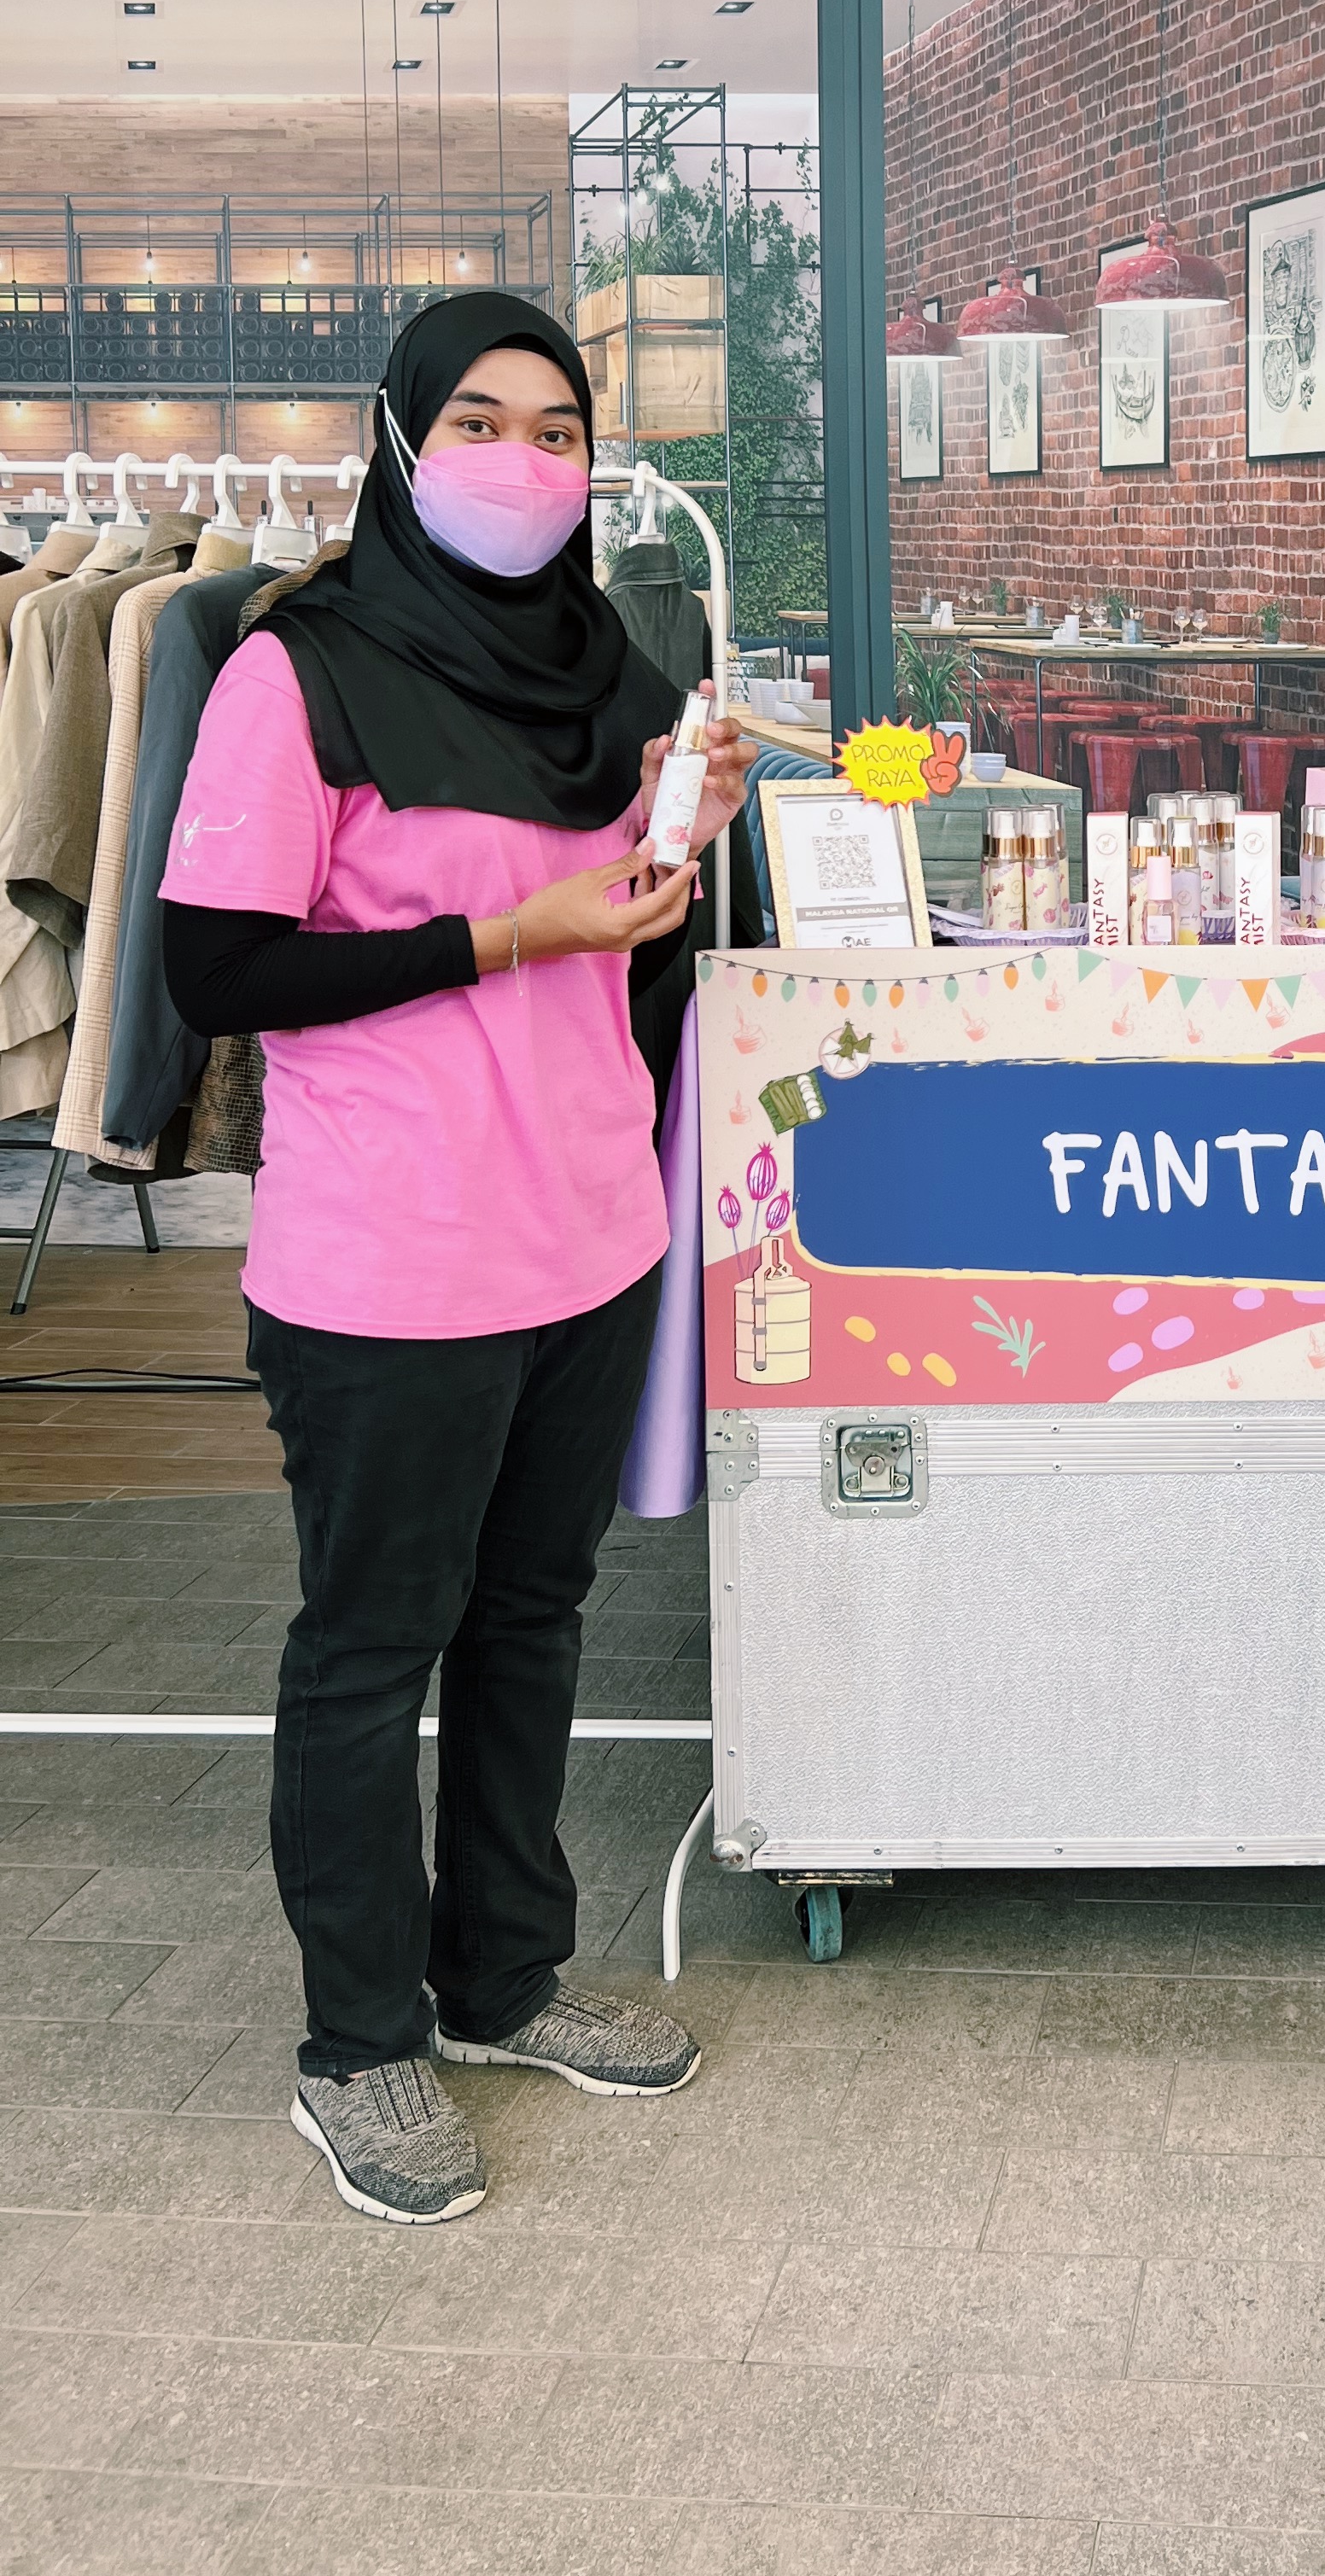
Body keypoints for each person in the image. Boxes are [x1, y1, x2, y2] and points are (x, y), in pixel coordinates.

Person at [161, 293, 749, 2225]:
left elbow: (633, 945)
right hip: (389, 1260)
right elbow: (217, 969)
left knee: (531, 1618)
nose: (525, 459)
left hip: (587, 1229)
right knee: (371, 1648)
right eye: (481, 422)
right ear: (406, 445)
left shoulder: (618, 672)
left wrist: (685, 847)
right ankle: (359, 2046)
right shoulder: (297, 671)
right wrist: (503, 938)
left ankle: (504, 1978)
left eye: (559, 429)